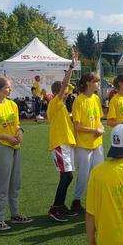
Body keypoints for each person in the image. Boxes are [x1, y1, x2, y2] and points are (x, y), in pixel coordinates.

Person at [0, 76, 33, 230]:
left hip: (15, 146)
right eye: (7, 87)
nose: (10, 90)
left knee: (16, 183)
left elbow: (16, 124)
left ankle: (15, 214)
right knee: (3, 184)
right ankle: (0, 218)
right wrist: (6, 137)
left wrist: (19, 132)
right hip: (1, 147)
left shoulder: (12, 104)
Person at [71, 72, 105, 214]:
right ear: (87, 83)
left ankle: (97, 201)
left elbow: (99, 121)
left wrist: (101, 129)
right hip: (84, 145)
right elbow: (77, 126)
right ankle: (76, 201)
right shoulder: (79, 100)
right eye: (96, 81)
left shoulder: (96, 99)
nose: (98, 84)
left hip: (97, 143)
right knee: (84, 175)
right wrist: (94, 130)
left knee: (98, 174)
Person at [47, 67, 77, 221]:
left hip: (66, 143)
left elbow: (67, 86)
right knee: (66, 176)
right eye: (64, 91)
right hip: (59, 144)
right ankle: (55, 208)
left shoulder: (61, 105)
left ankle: (60, 205)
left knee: (68, 177)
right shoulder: (55, 102)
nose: (67, 93)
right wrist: (71, 68)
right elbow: (65, 84)